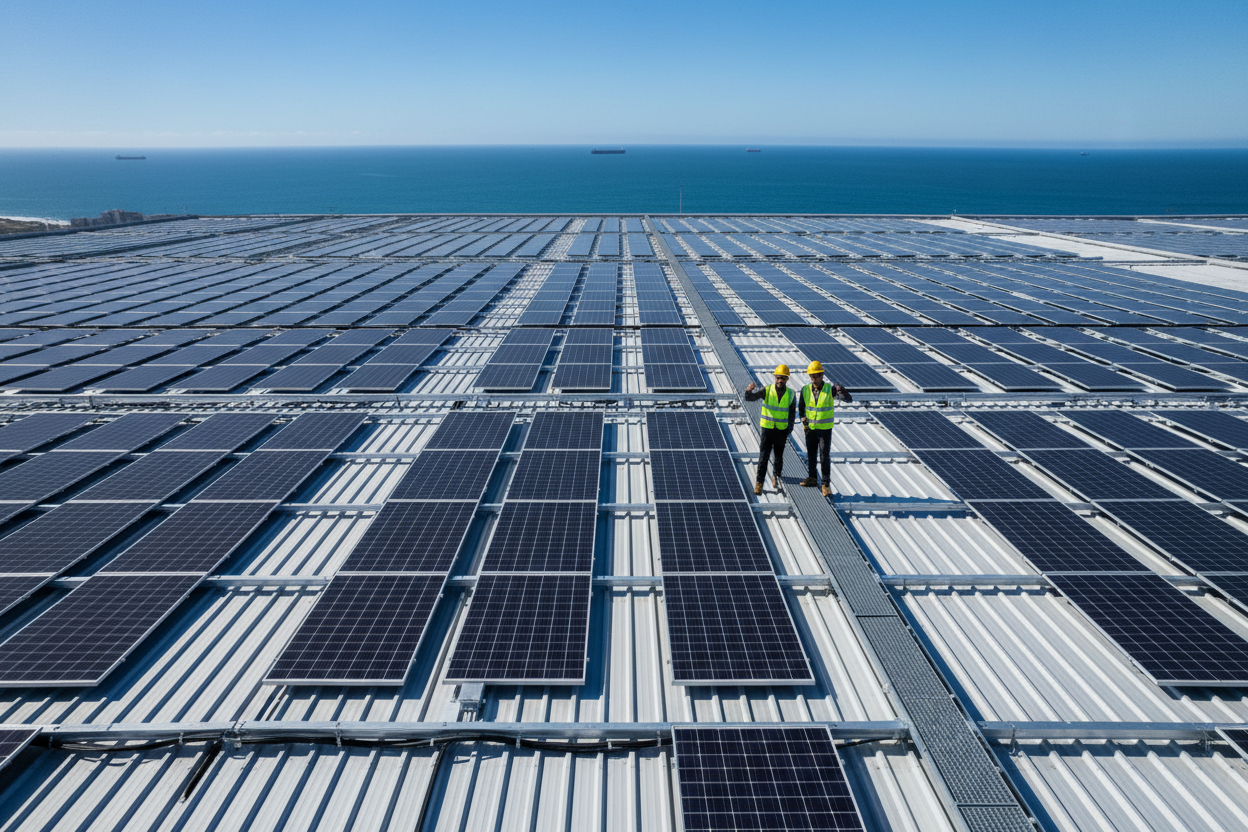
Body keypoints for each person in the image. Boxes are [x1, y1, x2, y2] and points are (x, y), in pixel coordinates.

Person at [797, 361, 852, 497]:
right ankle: (812, 478)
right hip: (810, 429)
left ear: (822, 375)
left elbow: (848, 400)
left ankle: (826, 484)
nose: (813, 379)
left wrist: (842, 391)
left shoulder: (830, 389)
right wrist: (804, 422)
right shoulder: (805, 389)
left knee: (824, 456)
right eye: (811, 376)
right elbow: (801, 408)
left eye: (816, 376)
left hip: (824, 430)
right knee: (811, 455)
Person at [744, 365, 796, 495]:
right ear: (775, 377)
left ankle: (776, 476)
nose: (780, 380)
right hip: (767, 429)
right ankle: (759, 483)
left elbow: (792, 412)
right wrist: (748, 391)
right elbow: (750, 398)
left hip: (781, 431)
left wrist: (789, 428)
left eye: (783, 378)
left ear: (787, 379)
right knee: (764, 457)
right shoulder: (766, 390)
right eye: (778, 378)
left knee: (778, 457)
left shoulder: (791, 394)